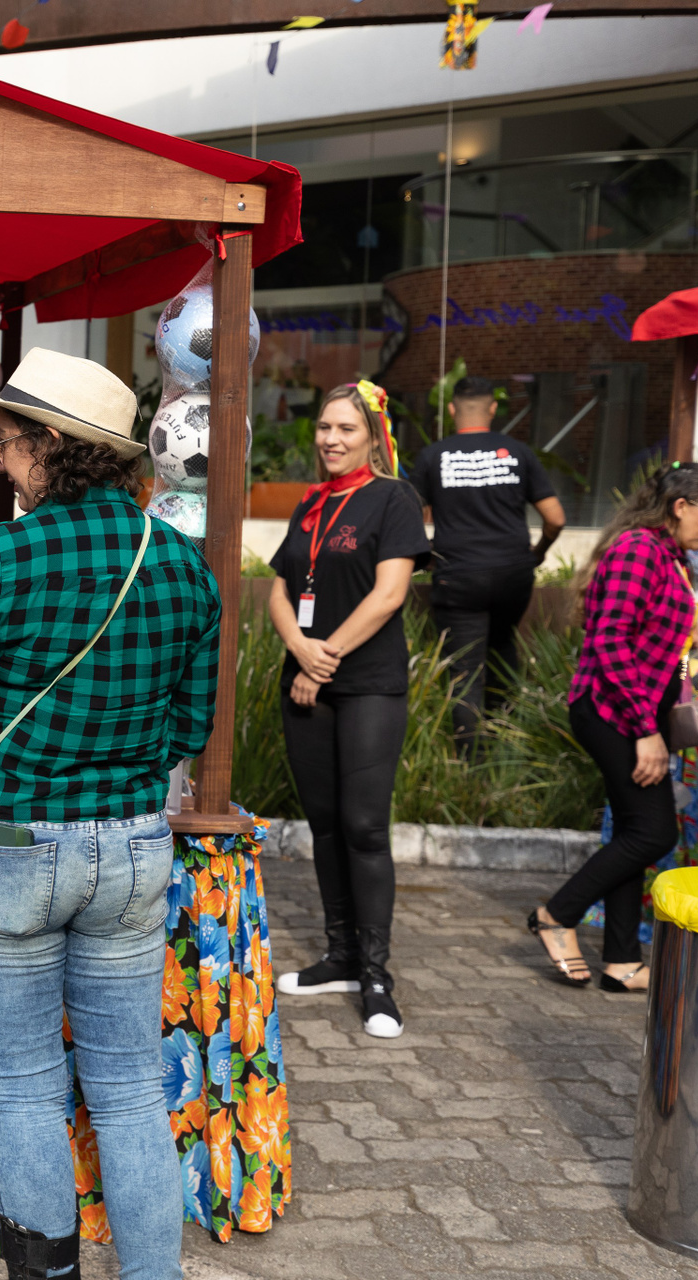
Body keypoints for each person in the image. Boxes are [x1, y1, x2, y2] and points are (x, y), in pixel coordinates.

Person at [0, 349, 220, 1280]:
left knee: (25, 1089)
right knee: (130, 1091)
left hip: (10, 841)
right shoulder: (179, 563)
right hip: (130, 844)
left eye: (8, 440)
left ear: (51, 444)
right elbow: (190, 727)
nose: (0, 459)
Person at [529, 462, 698, 993]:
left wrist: (690, 634)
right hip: (612, 713)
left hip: (634, 712)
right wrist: (645, 731)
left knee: (633, 828)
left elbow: (647, 630)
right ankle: (556, 914)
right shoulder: (638, 550)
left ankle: (621, 962)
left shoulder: (669, 555)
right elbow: (609, 642)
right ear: (681, 506)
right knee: (652, 831)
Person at [269, 382, 429, 1039]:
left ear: (372, 436)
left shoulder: (393, 498)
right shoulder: (311, 502)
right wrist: (299, 651)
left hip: (366, 683)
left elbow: (390, 594)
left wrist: (323, 658)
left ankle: (375, 975)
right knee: (327, 825)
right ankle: (339, 955)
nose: (331, 439)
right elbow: (280, 592)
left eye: (346, 429)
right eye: (324, 428)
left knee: (364, 826)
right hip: (306, 680)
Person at [409, 375, 566, 750]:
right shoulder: (518, 452)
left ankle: (471, 765)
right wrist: (539, 552)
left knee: (465, 670)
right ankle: (508, 746)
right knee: (502, 647)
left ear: (452, 410)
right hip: (514, 573)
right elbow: (555, 518)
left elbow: (407, 517)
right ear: (493, 408)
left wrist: (425, 556)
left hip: (459, 575)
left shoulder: (433, 456)